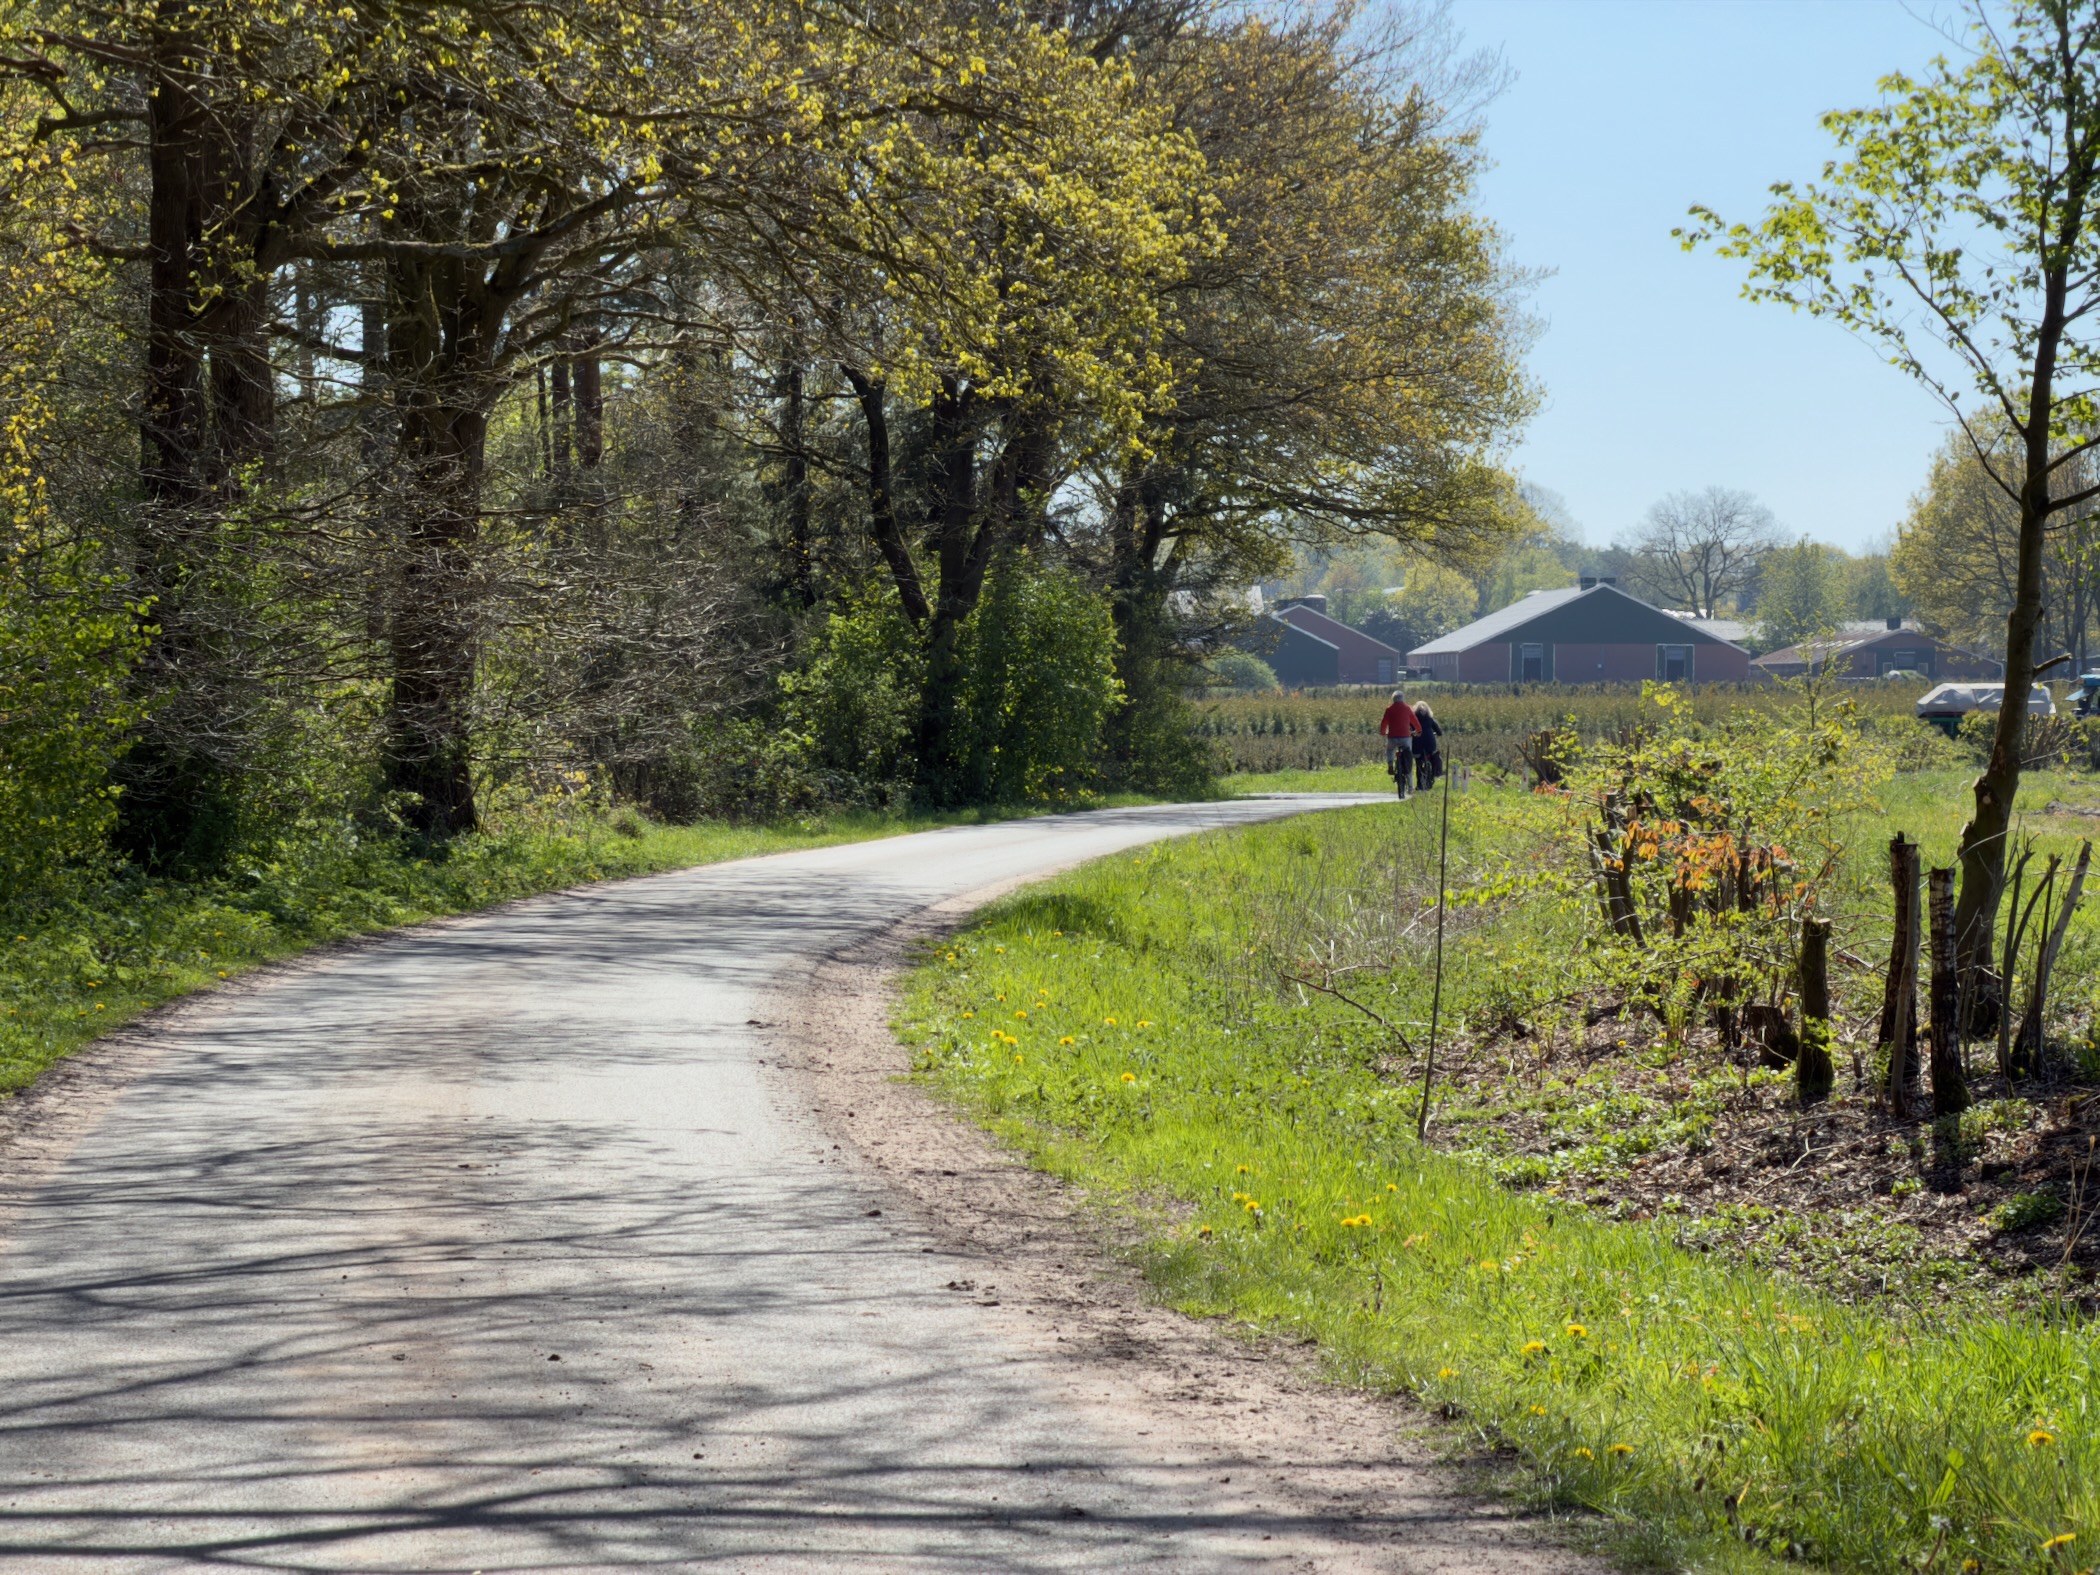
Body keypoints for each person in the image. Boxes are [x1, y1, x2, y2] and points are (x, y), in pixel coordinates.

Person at [1379, 688, 1420, 799]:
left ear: (1393, 699)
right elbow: (1414, 721)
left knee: (1390, 750)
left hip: (1392, 737)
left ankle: (1390, 765)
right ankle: (1411, 787)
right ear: (1402, 699)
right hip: (1406, 737)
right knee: (1408, 760)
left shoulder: (1389, 709)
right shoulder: (1407, 708)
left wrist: (1383, 732)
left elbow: (1384, 722)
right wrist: (1418, 730)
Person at [1413, 700, 1444, 791]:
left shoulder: (1413, 719)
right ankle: (1435, 773)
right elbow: (1439, 732)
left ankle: (1419, 784)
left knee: (1418, 762)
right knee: (1434, 756)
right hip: (1430, 744)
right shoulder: (1430, 719)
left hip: (1417, 745)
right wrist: (1437, 733)